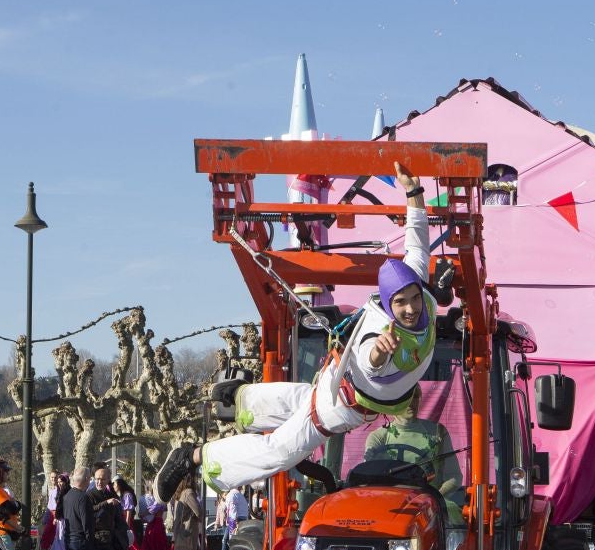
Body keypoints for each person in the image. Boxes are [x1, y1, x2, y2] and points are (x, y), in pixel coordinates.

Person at [155, 162, 434, 500]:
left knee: (306, 399)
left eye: (413, 299)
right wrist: (379, 351)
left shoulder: (424, 295)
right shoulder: (377, 337)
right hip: (343, 404)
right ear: (389, 304)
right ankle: (194, 457)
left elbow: (418, 242)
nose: (410, 308)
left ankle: (242, 399)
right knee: (280, 452)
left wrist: (413, 192)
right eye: (401, 302)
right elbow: (371, 359)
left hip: (340, 388)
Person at [162, 472, 209, 550]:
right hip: (187, 534)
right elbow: (199, 512)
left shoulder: (182, 494)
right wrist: (198, 514)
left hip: (183, 534)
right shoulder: (189, 493)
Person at [217, 486, 251, 550]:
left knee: (232, 539)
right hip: (241, 518)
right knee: (230, 539)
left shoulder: (231, 495)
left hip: (235, 519)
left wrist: (235, 521)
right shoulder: (239, 495)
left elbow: (232, 509)